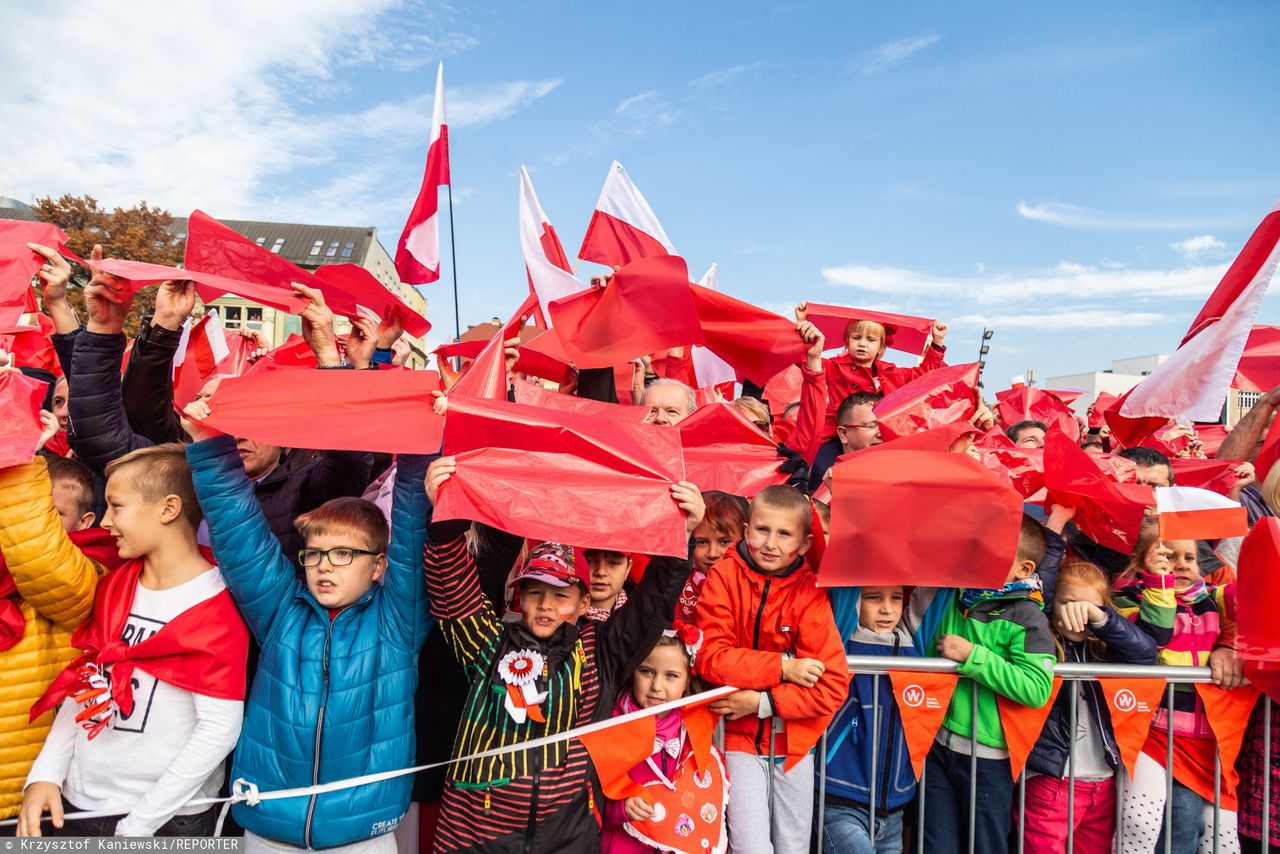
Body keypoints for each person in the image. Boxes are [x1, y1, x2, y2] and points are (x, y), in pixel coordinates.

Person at [179, 400, 431, 851]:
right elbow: (241, 536)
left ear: (378, 566)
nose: (323, 567)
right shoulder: (281, 612)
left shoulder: (397, 623)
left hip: (361, 834)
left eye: (343, 554)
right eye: (313, 553)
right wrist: (208, 442)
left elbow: (413, 531)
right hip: (267, 826)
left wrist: (423, 443)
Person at [422, 456, 704, 852]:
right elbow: (454, 591)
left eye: (560, 595)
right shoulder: (489, 643)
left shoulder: (600, 648)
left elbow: (652, 607)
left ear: (584, 601)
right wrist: (446, 520)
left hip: (568, 833)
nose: (546, 605)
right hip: (477, 834)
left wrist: (680, 535)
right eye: (535, 592)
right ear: (520, 597)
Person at [19, 444, 248, 838]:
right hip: (79, 802)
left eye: (117, 506)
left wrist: (140, 824)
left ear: (168, 509)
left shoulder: (217, 603)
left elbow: (219, 731)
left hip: (166, 819)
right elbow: (86, 682)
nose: (105, 522)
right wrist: (45, 774)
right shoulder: (115, 584)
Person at [65, 274, 373, 558]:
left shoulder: (307, 488)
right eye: (218, 410)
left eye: (248, 414)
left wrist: (329, 358)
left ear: (281, 431)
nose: (236, 431)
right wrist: (110, 328)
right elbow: (100, 437)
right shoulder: (181, 475)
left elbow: (350, 456)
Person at [695, 484, 851, 854]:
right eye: (763, 530)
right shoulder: (724, 576)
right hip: (734, 737)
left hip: (794, 743)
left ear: (805, 541)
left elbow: (831, 685)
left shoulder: (812, 591)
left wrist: (762, 701)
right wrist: (785, 666)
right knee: (751, 848)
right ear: (747, 529)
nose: (771, 543)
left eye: (784, 534)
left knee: (793, 848)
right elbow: (712, 658)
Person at [0, 416, 112, 825]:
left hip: (25, 792)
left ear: (84, 522)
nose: (37, 520)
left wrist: (17, 454)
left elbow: (40, 557)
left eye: (53, 513)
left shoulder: (92, 566)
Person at [922, 515, 1056, 854]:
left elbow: (1036, 687)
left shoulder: (1028, 615)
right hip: (938, 746)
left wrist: (972, 656)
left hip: (989, 758)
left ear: (1024, 570)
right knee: (935, 845)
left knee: (985, 845)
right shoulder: (957, 596)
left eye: (994, 551)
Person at [1114, 523, 1242, 853]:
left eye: (1190, 557)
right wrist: (1159, 582)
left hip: (1205, 740)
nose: (1182, 563)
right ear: (1143, 560)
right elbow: (1153, 637)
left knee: (1223, 840)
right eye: (1170, 555)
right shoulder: (1128, 598)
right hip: (1153, 732)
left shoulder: (1213, 600)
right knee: (1140, 822)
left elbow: (1253, 598)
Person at [1018, 561, 1157, 853]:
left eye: (1089, 606)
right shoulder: (1040, 643)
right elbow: (1033, 602)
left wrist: (1101, 620)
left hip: (1102, 783)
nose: (1077, 613)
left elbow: (1145, 654)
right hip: (1051, 781)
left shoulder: (1103, 647)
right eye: (1068, 603)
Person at [599, 623, 727, 854]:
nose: (656, 686)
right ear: (632, 671)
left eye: (671, 676)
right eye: (646, 671)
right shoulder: (613, 725)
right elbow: (593, 797)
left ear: (687, 679)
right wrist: (621, 806)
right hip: (624, 845)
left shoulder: (694, 732)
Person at [818, 585, 918, 854]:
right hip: (839, 804)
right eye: (873, 597)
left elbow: (935, 591)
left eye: (896, 598)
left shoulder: (913, 643)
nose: (887, 608)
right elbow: (847, 583)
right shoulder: (841, 639)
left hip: (893, 812)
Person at [794, 301, 948, 440]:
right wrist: (801, 324)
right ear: (847, 341)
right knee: (821, 466)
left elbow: (927, 375)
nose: (862, 344)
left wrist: (937, 342)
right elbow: (804, 359)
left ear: (881, 347)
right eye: (857, 337)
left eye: (871, 340)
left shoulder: (892, 373)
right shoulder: (834, 366)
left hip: (882, 435)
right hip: (840, 436)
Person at [681, 491, 749, 622]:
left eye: (724, 542)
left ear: (745, 538)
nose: (712, 553)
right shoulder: (678, 585)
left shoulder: (753, 589)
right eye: (702, 542)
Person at [584, 548, 632, 622]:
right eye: (589, 561)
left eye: (614, 563)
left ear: (628, 569)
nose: (601, 572)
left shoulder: (642, 619)